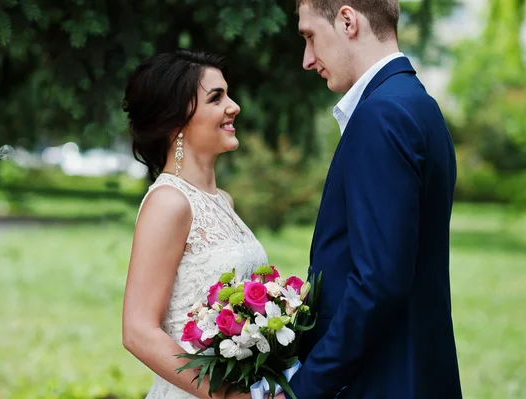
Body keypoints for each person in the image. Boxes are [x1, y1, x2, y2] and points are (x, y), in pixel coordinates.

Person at [276, 1, 463, 398]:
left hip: (381, 381)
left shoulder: (382, 114)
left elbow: (378, 282)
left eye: (310, 36)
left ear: (347, 21)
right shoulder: (416, 103)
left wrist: (304, 389)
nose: (308, 60)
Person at [120, 49, 266, 399]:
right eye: (216, 98)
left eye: (227, 94)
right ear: (176, 121)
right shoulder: (169, 202)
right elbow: (138, 332)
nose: (234, 107)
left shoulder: (223, 201)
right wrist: (229, 395)